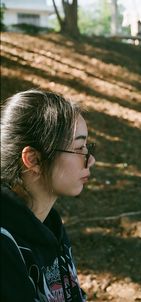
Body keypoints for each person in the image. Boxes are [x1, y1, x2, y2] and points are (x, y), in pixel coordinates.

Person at [0, 89, 95, 302]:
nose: (91, 160)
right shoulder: (5, 248)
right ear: (33, 160)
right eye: (79, 148)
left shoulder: (50, 224)